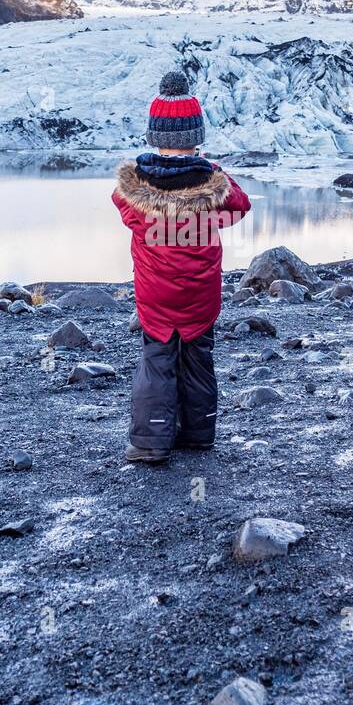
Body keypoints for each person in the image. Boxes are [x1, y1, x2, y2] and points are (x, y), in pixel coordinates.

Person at [112, 69, 251, 464]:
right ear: (197, 136)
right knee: (198, 359)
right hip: (201, 293)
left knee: (157, 361)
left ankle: (149, 443)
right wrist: (217, 174)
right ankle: (198, 434)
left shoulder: (137, 190)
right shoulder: (212, 184)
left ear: (155, 136)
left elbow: (121, 204)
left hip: (156, 294)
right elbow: (239, 206)